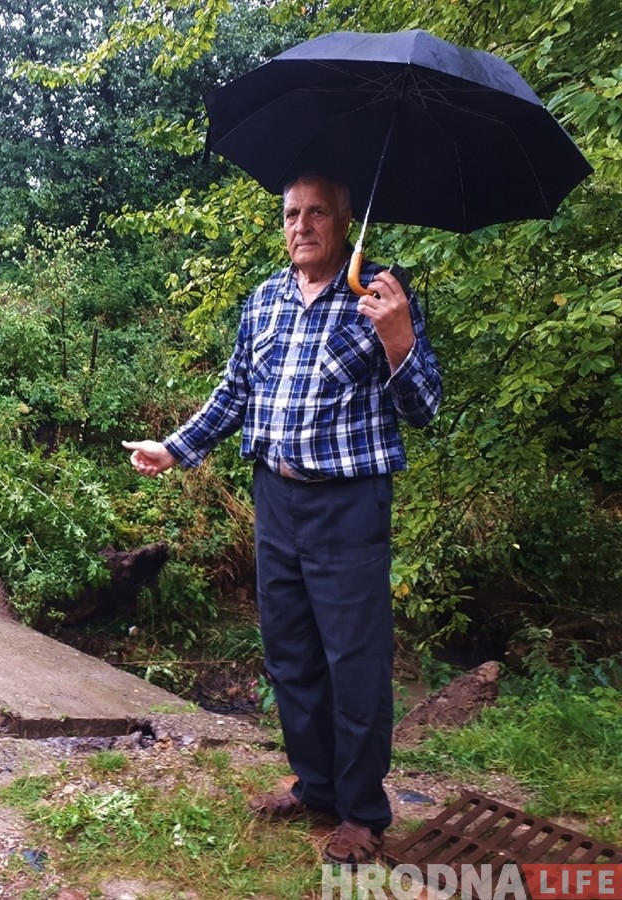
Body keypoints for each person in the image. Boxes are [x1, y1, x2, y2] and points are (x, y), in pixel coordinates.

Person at [123, 172, 441, 866]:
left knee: (353, 662)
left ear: (344, 221)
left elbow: (424, 408)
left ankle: (361, 811)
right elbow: (234, 392)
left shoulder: (380, 297)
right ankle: (316, 784)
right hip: (277, 498)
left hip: (349, 504)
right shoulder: (264, 298)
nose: (301, 225)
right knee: (290, 652)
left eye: (317, 213)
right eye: (292, 214)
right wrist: (174, 448)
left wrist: (399, 337)